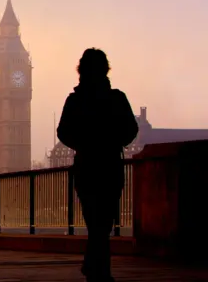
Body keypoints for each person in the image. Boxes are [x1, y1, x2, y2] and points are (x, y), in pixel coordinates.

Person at [57, 48, 138, 282]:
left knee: (95, 221)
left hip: (87, 167)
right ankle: (98, 270)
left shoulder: (74, 101)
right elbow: (131, 130)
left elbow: (63, 132)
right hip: (111, 165)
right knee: (103, 222)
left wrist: (83, 144)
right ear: (106, 69)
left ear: (80, 71)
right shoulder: (117, 98)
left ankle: (95, 267)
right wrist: (114, 141)